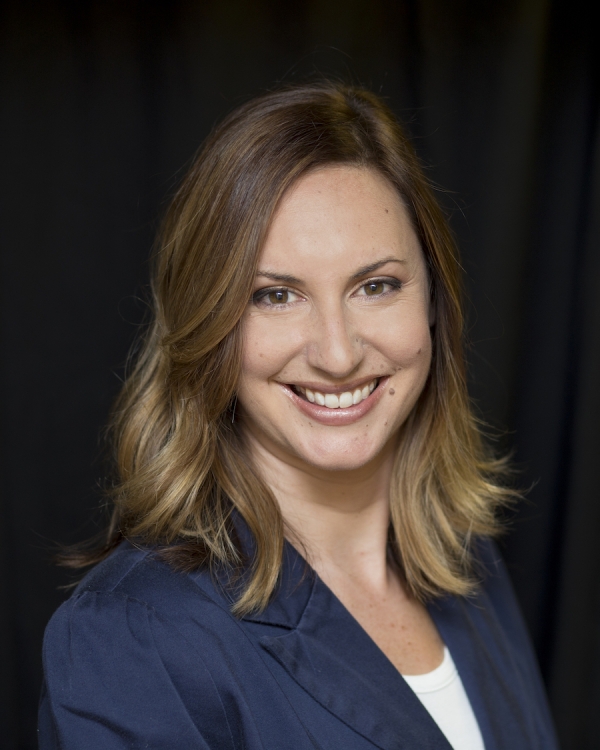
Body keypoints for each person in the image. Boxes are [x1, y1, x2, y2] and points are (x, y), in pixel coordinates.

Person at [39, 82, 558, 749]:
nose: (338, 354)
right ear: (208, 326)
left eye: (376, 286)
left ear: (434, 302)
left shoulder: (468, 565)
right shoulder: (132, 637)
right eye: (276, 296)